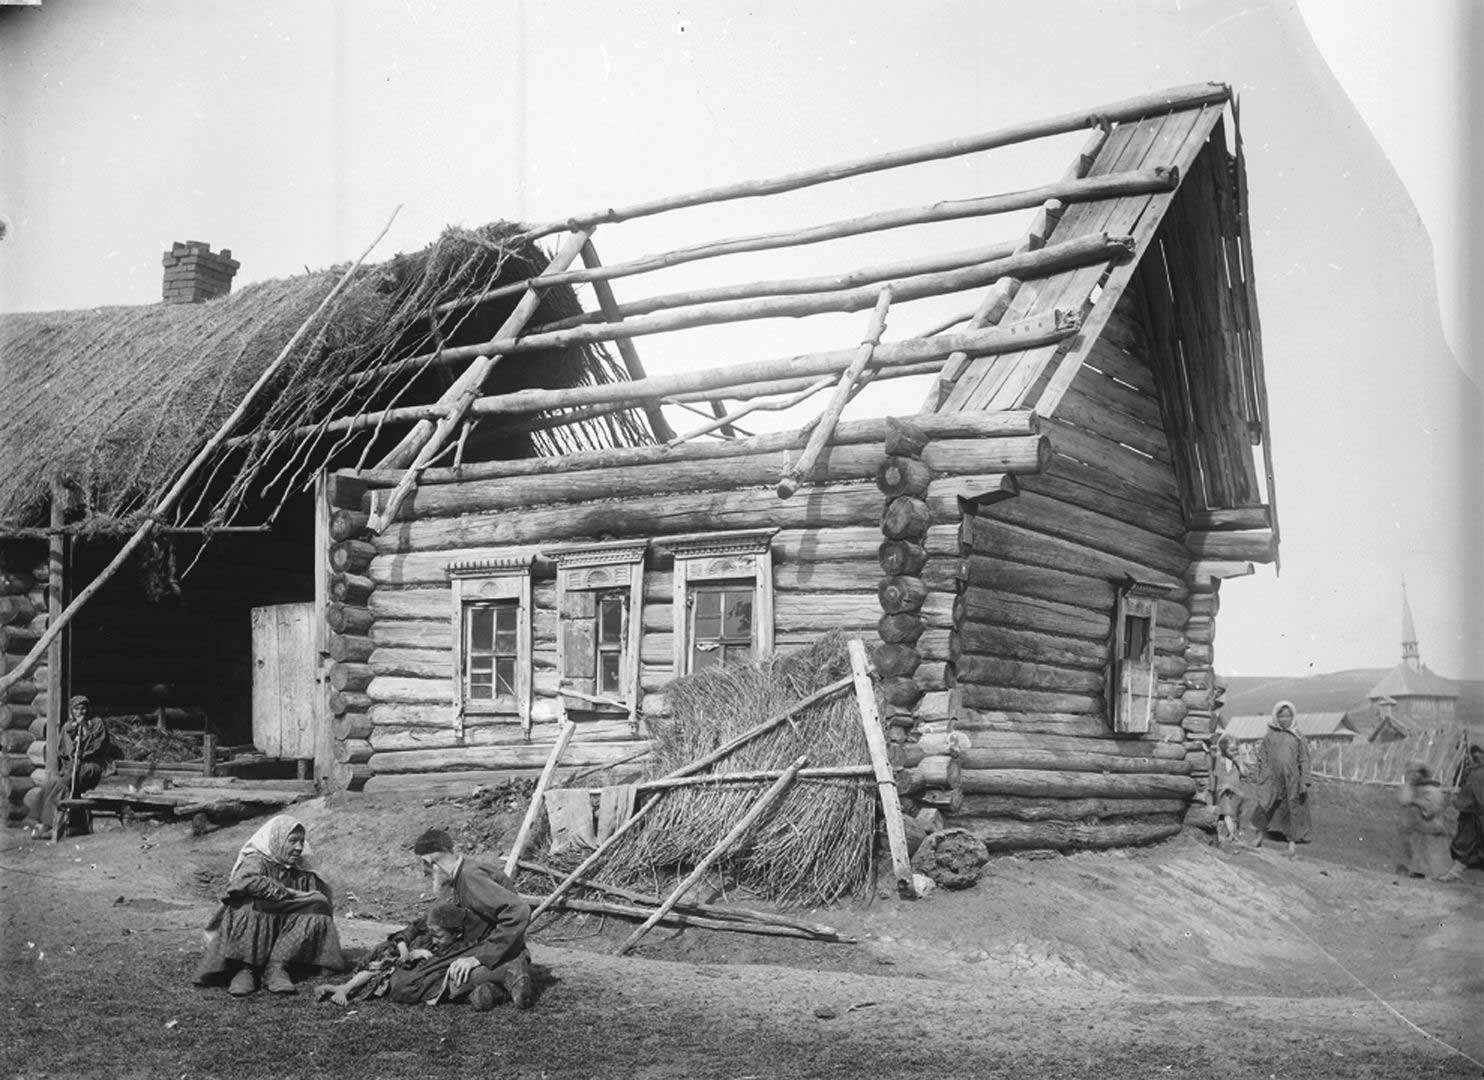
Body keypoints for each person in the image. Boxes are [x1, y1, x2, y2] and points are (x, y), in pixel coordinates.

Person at [194, 814, 346, 996]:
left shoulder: (302, 867)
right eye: (292, 841)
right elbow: (243, 882)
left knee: (318, 904)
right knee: (248, 903)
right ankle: (245, 969)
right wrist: (289, 893)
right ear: (277, 839)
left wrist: (310, 898)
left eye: (301, 841)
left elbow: (315, 897)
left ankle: (277, 967)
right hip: (256, 918)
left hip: (286, 926)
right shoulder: (257, 859)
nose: (299, 847)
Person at [397, 827, 534, 1010]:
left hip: (494, 952)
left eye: (424, 865)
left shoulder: (470, 877)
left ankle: (507, 970)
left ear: (430, 860)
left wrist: (478, 958)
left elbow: (519, 910)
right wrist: (406, 937)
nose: (424, 872)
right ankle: (494, 988)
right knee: (434, 974)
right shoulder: (460, 877)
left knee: (411, 984)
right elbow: (443, 918)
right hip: (485, 949)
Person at [34, 694, 119, 840]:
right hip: (73, 765)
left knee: (63, 783)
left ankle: (50, 825)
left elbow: (97, 748)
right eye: (76, 709)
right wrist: (72, 748)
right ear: (71, 711)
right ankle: (39, 820)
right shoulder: (68, 726)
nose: (80, 712)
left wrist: (84, 731)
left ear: (88, 709)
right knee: (53, 783)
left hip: (93, 765)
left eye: (83, 708)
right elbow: (64, 751)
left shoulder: (97, 724)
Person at [315, 918, 436, 1006]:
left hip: (412, 966)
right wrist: (402, 944)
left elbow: (438, 959)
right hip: (399, 954)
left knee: (383, 974)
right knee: (379, 964)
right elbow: (407, 932)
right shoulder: (430, 919)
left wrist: (422, 953)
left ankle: (344, 989)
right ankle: (344, 988)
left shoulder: (444, 938)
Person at [1250, 700, 1312, 855]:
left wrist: (1304, 781)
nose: (1285, 719)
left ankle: (1291, 844)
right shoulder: (1270, 736)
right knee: (1264, 804)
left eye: (1288, 716)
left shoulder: (1298, 737)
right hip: (1271, 779)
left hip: (1291, 780)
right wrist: (1261, 775)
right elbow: (1262, 757)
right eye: (1281, 716)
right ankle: (1259, 837)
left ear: (1293, 717)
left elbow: (1304, 760)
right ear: (1276, 717)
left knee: (1291, 808)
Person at [1397, 762, 1462, 881]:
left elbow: (1432, 808)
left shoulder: (1431, 790)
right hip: (1420, 828)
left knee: (1432, 855)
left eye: (1415, 773)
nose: (1412, 776)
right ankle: (1419, 873)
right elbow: (1404, 801)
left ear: (1422, 774)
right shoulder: (1416, 789)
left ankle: (1435, 877)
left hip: (1430, 826)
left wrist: (1415, 802)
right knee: (1420, 852)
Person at [1210, 734, 1250, 845]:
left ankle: (1233, 834)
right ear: (1224, 750)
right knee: (1224, 811)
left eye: (1236, 749)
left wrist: (1239, 763)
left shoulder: (1236, 762)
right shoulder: (1219, 760)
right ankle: (1229, 834)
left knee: (1235, 813)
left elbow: (1245, 774)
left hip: (1235, 793)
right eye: (1232, 750)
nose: (1235, 752)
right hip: (1222, 793)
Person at [1449, 745, 1484, 869]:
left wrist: (1459, 802)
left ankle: (1456, 873)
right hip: (1473, 813)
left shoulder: (1477, 774)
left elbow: (1472, 795)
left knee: (1464, 844)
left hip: (1474, 814)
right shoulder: (1474, 772)